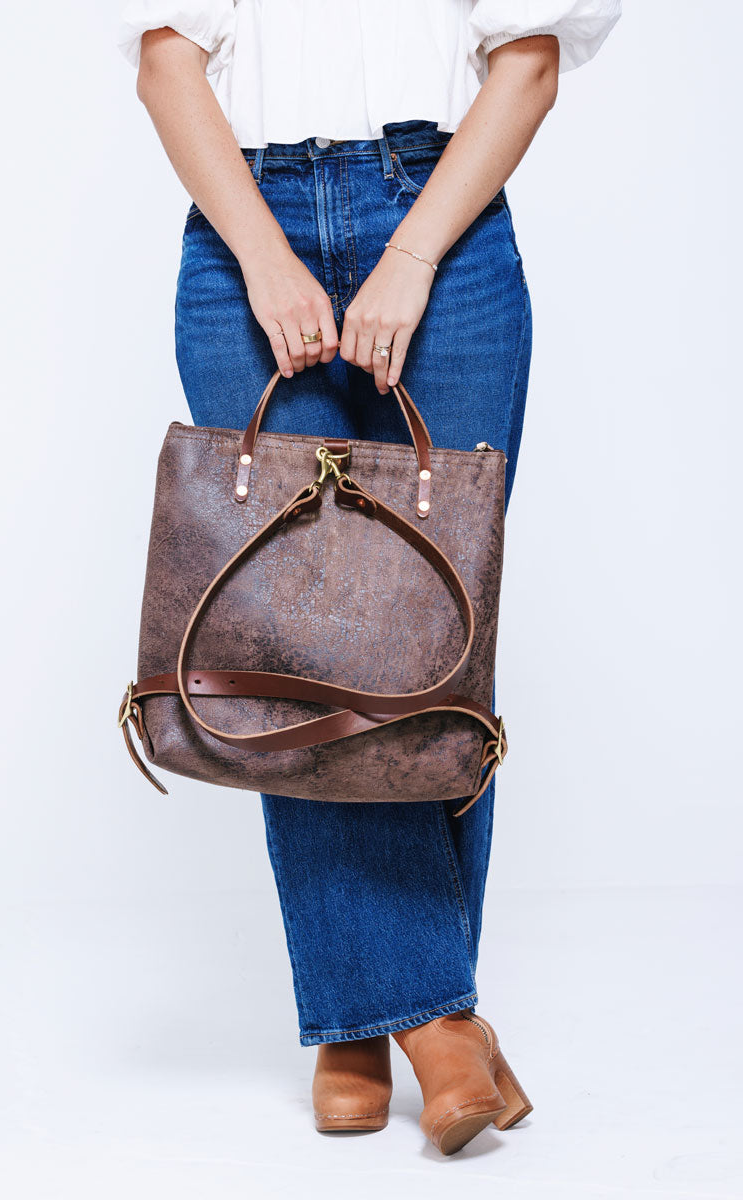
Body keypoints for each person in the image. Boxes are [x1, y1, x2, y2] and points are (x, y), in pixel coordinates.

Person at [117, 0, 621, 1156]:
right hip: (246, 215)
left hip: (442, 216)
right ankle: (438, 1025)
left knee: (428, 631)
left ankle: (358, 1023)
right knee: (297, 644)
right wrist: (263, 258)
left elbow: (528, 62)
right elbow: (165, 62)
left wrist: (408, 258)